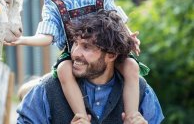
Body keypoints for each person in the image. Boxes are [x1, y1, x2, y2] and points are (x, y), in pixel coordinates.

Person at [5, 0, 149, 120]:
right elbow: (47, 35)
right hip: (73, 54)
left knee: (131, 66)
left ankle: (131, 116)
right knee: (64, 69)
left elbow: (116, 20)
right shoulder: (52, 4)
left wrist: (129, 37)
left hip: (103, 51)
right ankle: (81, 117)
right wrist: (22, 39)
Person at [16, 10, 164, 123]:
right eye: (75, 43)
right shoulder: (46, 90)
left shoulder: (141, 91)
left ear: (111, 55)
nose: (75, 53)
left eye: (86, 47)